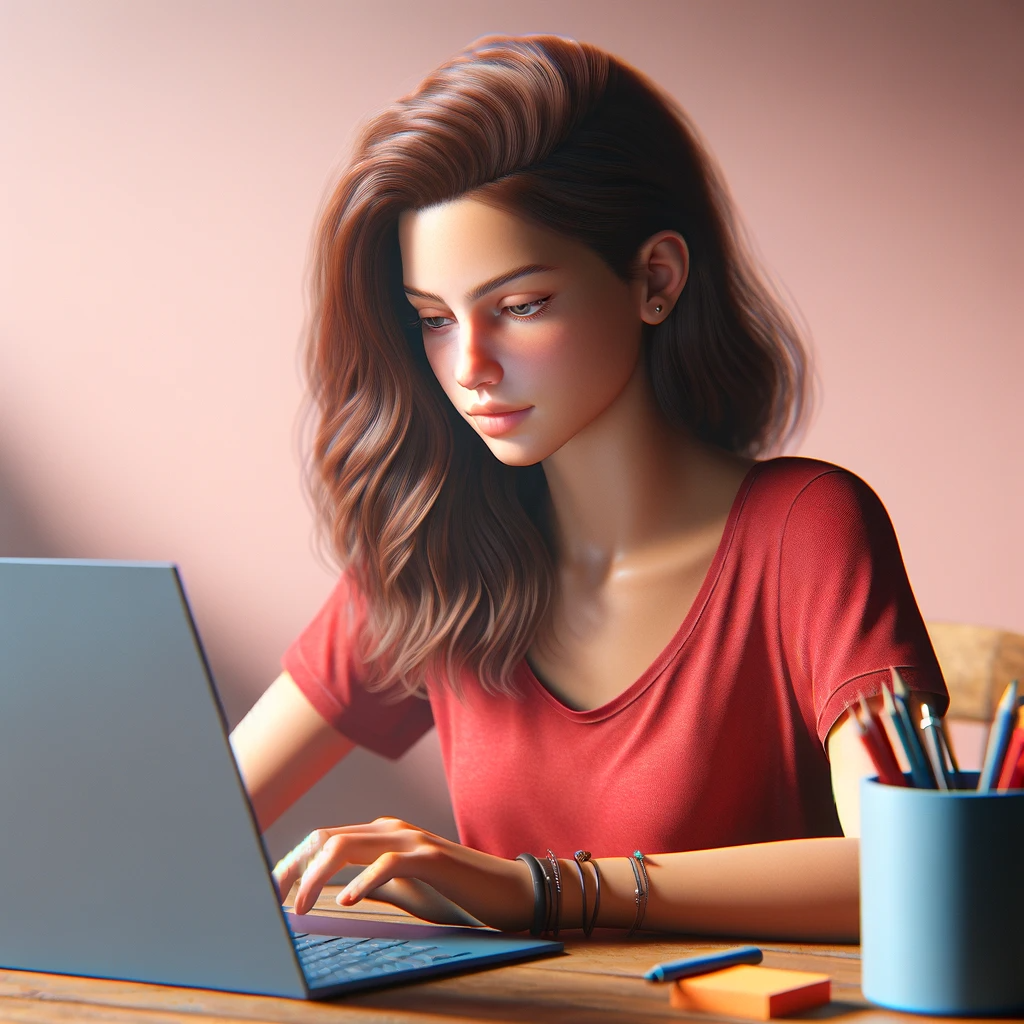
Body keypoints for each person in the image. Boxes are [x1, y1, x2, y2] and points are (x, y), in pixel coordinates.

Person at [229, 34, 947, 941]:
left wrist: (543, 889)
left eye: (521, 305)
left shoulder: (805, 528)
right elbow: (196, 826)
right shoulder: (436, 547)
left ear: (655, 278)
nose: (472, 366)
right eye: (434, 321)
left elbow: (911, 867)